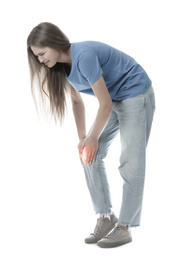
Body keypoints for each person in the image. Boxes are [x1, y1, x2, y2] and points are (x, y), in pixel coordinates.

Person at [27, 22, 155, 248]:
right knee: (89, 155)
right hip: (116, 100)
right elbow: (77, 102)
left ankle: (125, 227)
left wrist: (93, 137)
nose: (40, 60)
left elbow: (104, 104)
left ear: (54, 43)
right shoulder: (62, 67)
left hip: (136, 93)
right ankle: (104, 218)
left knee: (130, 162)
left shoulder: (83, 56)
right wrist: (82, 138)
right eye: (36, 56)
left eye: (41, 53)